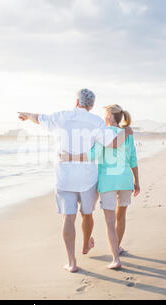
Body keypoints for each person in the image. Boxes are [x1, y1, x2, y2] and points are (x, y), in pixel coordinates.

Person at [18, 89, 133, 272]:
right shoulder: (96, 121)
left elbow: (40, 118)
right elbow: (112, 143)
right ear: (91, 105)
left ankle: (71, 263)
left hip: (64, 177)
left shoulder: (62, 116)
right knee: (87, 214)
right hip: (87, 178)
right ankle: (86, 244)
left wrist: (27, 115)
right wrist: (126, 132)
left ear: (77, 101)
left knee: (68, 217)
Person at [60, 104, 140, 269]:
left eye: (105, 114)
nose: (104, 117)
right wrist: (137, 181)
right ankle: (117, 248)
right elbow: (133, 159)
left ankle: (116, 259)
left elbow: (91, 155)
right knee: (121, 217)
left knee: (110, 222)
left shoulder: (104, 133)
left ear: (110, 116)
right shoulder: (128, 134)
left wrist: (70, 156)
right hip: (125, 180)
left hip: (108, 182)